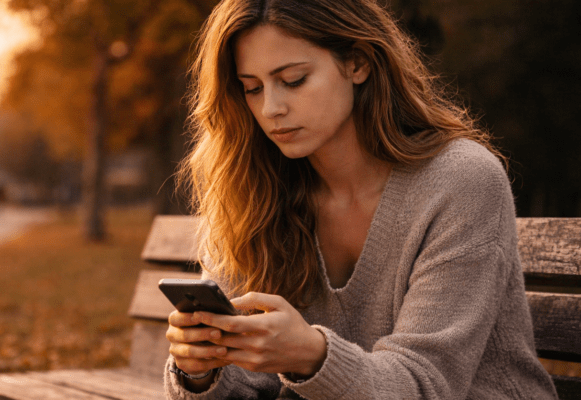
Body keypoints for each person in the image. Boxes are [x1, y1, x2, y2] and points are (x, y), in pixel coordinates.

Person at [164, 0, 559, 399]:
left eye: (294, 80)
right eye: (252, 88)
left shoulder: (460, 182)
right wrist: (199, 370)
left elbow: (426, 386)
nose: (271, 109)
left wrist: (312, 357)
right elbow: (249, 383)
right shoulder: (255, 191)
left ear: (358, 63)